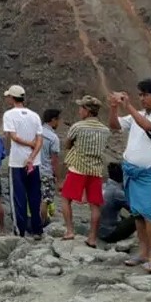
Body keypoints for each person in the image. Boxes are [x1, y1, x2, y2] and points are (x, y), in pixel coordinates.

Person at [107, 79, 151, 274]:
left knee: (150, 213)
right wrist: (113, 108)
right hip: (131, 171)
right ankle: (143, 252)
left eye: (145, 95)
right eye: (141, 95)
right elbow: (115, 126)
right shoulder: (139, 115)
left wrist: (128, 106)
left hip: (149, 173)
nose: (142, 99)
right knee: (137, 213)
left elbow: (147, 126)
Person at [60, 96, 110, 247]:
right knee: (95, 205)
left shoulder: (78, 126)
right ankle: (92, 237)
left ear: (87, 111)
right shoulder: (105, 130)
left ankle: (69, 230)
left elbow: (68, 144)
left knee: (66, 199)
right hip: (96, 171)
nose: (79, 110)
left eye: (81, 108)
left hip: (78, 168)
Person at [2, 84, 44, 238]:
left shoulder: (9, 115)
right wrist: (32, 156)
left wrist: (28, 144)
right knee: (34, 196)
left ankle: (20, 231)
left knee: (18, 197)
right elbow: (40, 140)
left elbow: (14, 137)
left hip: (17, 161)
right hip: (34, 162)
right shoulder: (35, 115)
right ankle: (37, 229)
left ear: (12, 98)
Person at [99, 163, 135, 243]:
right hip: (109, 233)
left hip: (99, 229)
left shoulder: (103, 185)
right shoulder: (117, 192)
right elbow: (134, 209)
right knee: (138, 216)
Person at [40, 108, 63, 226]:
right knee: (45, 199)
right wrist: (59, 180)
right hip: (46, 172)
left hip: (33, 170)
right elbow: (54, 161)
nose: (59, 123)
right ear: (53, 120)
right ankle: (42, 225)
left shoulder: (36, 132)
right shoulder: (53, 138)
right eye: (58, 120)